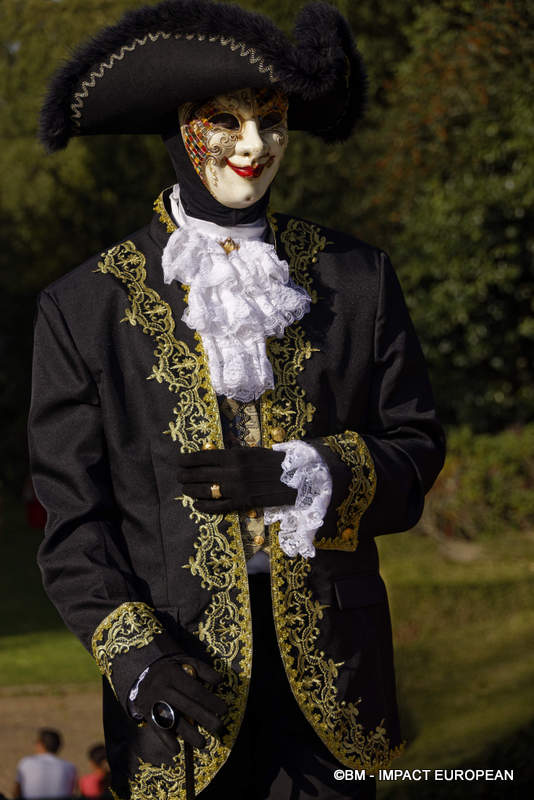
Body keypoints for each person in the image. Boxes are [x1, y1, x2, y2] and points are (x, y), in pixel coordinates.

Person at [29, 1, 446, 798]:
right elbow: (72, 522)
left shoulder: (356, 279)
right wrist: (135, 658)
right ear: (179, 127)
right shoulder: (85, 307)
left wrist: (311, 474)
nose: (255, 145)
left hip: (339, 682)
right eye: (225, 120)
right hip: (181, 691)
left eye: (275, 122)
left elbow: (417, 450)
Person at [13, 728, 77, 799]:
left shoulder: (26, 762)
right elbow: (72, 792)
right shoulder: (69, 767)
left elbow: (16, 792)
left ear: (40, 744)